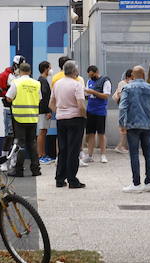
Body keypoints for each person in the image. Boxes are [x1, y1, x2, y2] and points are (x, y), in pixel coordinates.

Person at [118, 64, 150, 193]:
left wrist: (122, 123)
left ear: (132, 76)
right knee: (148, 153)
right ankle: (148, 183)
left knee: (134, 154)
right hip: (147, 126)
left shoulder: (128, 88)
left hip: (133, 125)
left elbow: (122, 107)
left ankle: (136, 184)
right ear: (144, 75)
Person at [5, 62, 43, 177]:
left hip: (19, 117)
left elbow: (8, 98)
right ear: (30, 71)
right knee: (32, 143)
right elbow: (40, 99)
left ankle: (19, 170)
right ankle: (35, 169)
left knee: (20, 144)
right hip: (32, 118)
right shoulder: (37, 83)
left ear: (19, 71)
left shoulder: (16, 82)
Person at [53, 60, 86, 189]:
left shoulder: (57, 84)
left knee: (63, 149)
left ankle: (60, 179)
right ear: (73, 71)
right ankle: (72, 179)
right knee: (73, 150)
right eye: (77, 69)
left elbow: (51, 103)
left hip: (61, 119)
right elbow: (81, 105)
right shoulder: (77, 85)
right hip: (75, 119)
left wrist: (61, 112)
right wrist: (84, 116)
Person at [83, 66, 112, 164]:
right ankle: (90, 155)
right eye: (89, 75)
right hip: (90, 110)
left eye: (92, 75)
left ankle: (103, 155)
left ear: (96, 72)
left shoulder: (105, 81)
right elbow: (86, 94)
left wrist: (93, 92)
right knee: (90, 133)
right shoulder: (89, 81)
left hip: (100, 111)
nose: (91, 77)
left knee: (101, 133)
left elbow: (106, 95)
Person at [37, 60, 55, 163]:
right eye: (50, 67)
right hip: (43, 111)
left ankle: (43, 154)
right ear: (45, 69)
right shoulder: (42, 81)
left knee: (44, 131)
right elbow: (43, 98)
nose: (51, 70)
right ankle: (41, 155)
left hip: (44, 110)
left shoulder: (43, 80)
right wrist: (47, 110)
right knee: (42, 131)